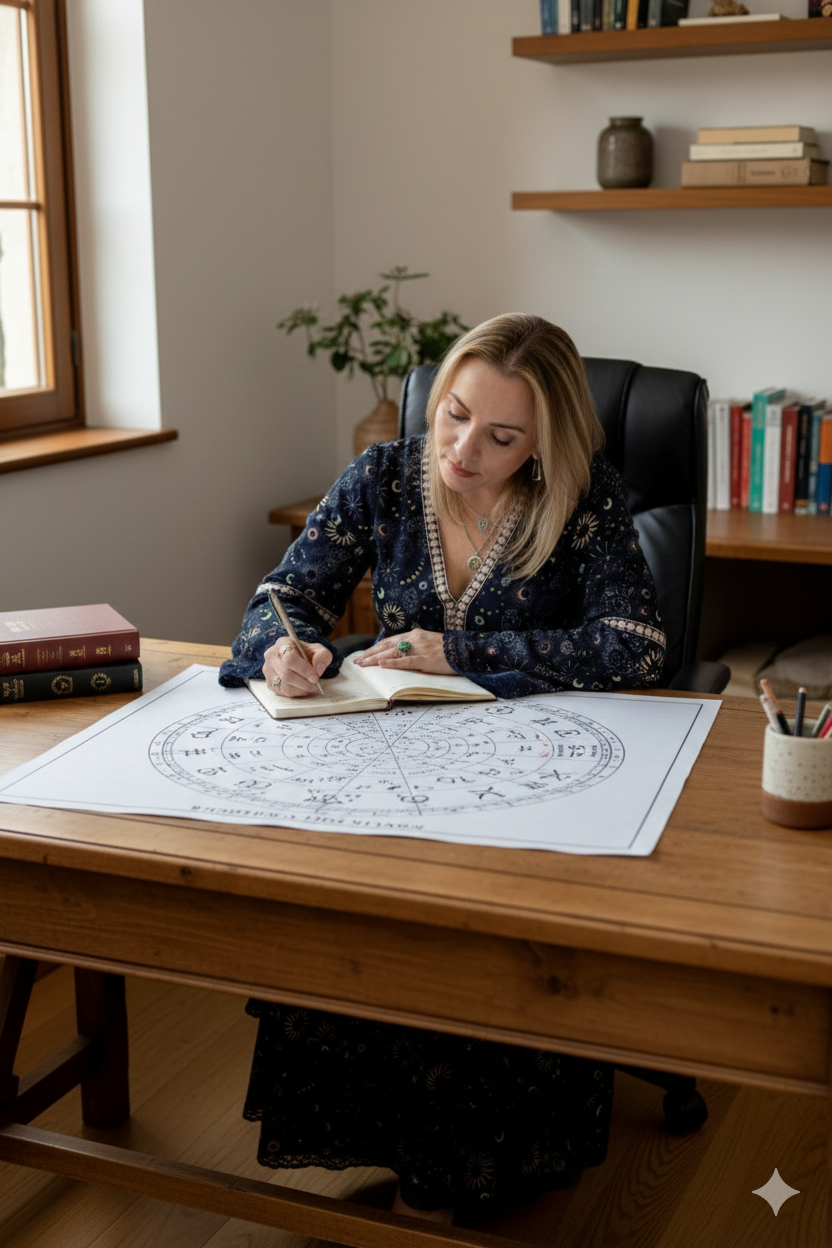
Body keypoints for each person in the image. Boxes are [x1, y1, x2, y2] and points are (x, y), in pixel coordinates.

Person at [219, 313, 666, 1222]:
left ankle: (463, 1168)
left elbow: (637, 646)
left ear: (546, 441)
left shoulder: (586, 501)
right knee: (367, 918)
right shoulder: (383, 476)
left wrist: (460, 652)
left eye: (502, 436)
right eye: (455, 415)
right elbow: (279, 594)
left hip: (536, 777)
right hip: (396, 764)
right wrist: (284, 650)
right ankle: (394, 1146)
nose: (462, 449)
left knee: (486, 936)